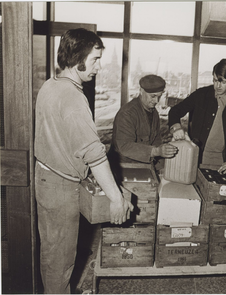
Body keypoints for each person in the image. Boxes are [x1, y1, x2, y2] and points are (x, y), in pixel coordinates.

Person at [34, 28, 134, 294]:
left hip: (44, 177)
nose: (99, 68)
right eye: (95, 60)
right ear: (78, 59)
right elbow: (94, 154)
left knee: (51, 252)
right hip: (61, 188)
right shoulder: (74, 99)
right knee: (62, 259)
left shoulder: (50, 84)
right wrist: (116, 198)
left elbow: (62, 139)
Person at [168, 58, 226, 174]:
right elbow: (175, 110)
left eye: (223, 82)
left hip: (223, 162)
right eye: (215, 80)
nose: (218, 86)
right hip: (196, 156)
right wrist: (176, 127)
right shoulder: (201, 95)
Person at [109, 74, 178, 171]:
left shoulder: (154, 113)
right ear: (141, 91)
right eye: (153, 96)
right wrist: (156, 151)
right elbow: (125, 146)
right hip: (123, 167)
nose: (156, 101)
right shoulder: (127, 113)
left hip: (143, 165)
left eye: (159, 96)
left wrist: (164, 159)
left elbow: (156, 140)